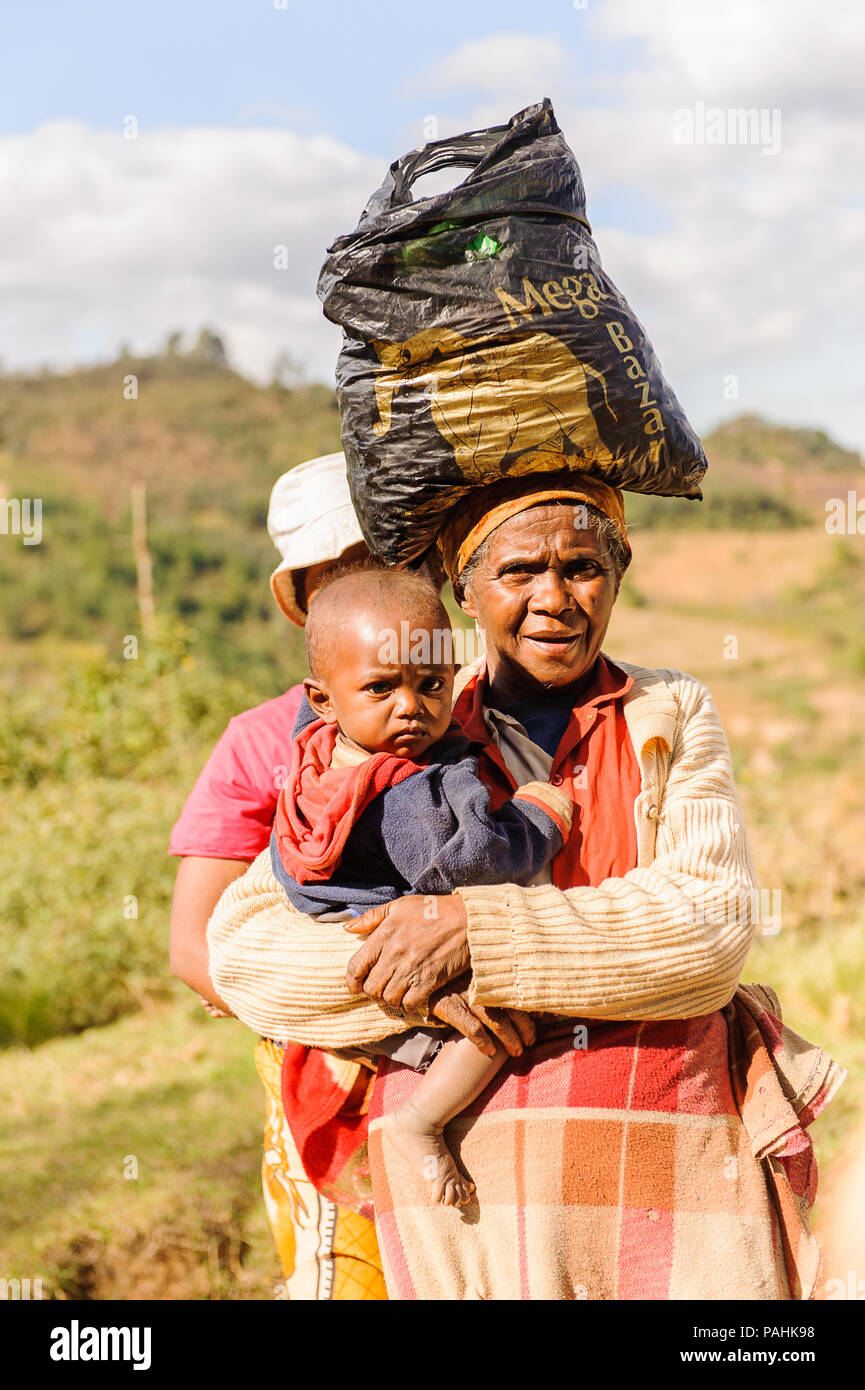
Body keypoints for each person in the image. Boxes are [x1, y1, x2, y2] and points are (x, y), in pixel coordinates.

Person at [208, 470, 843, 1300]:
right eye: (516, 572)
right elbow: (244, 949)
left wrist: (476, 935)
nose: (555, 599)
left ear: (619, 572)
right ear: (463, 590)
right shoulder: (404, 728)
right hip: (468, 1208)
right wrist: (406, 969)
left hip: (667, 1169)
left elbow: (709, 929)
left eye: (582, 567)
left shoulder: (666, 710)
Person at [271, 565, 572, 1205]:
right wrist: (540, 817)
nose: (411, 706)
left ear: (456, 677)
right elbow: (472, 864)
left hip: (330, 922)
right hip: (388, 950)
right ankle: (422, 1121)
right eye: (382, 688)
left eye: (431, 684)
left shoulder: (316, 754)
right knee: (502, 1012)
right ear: (322, 697)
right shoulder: (409, 787)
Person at [169, 452, 387, 1301]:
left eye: (383, 562)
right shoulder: (261, 742)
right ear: (301, 604)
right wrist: (368, 998)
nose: (362, 590)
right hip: (319, 1068)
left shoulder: (472, 709)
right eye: (334, 578)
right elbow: (196, 951)